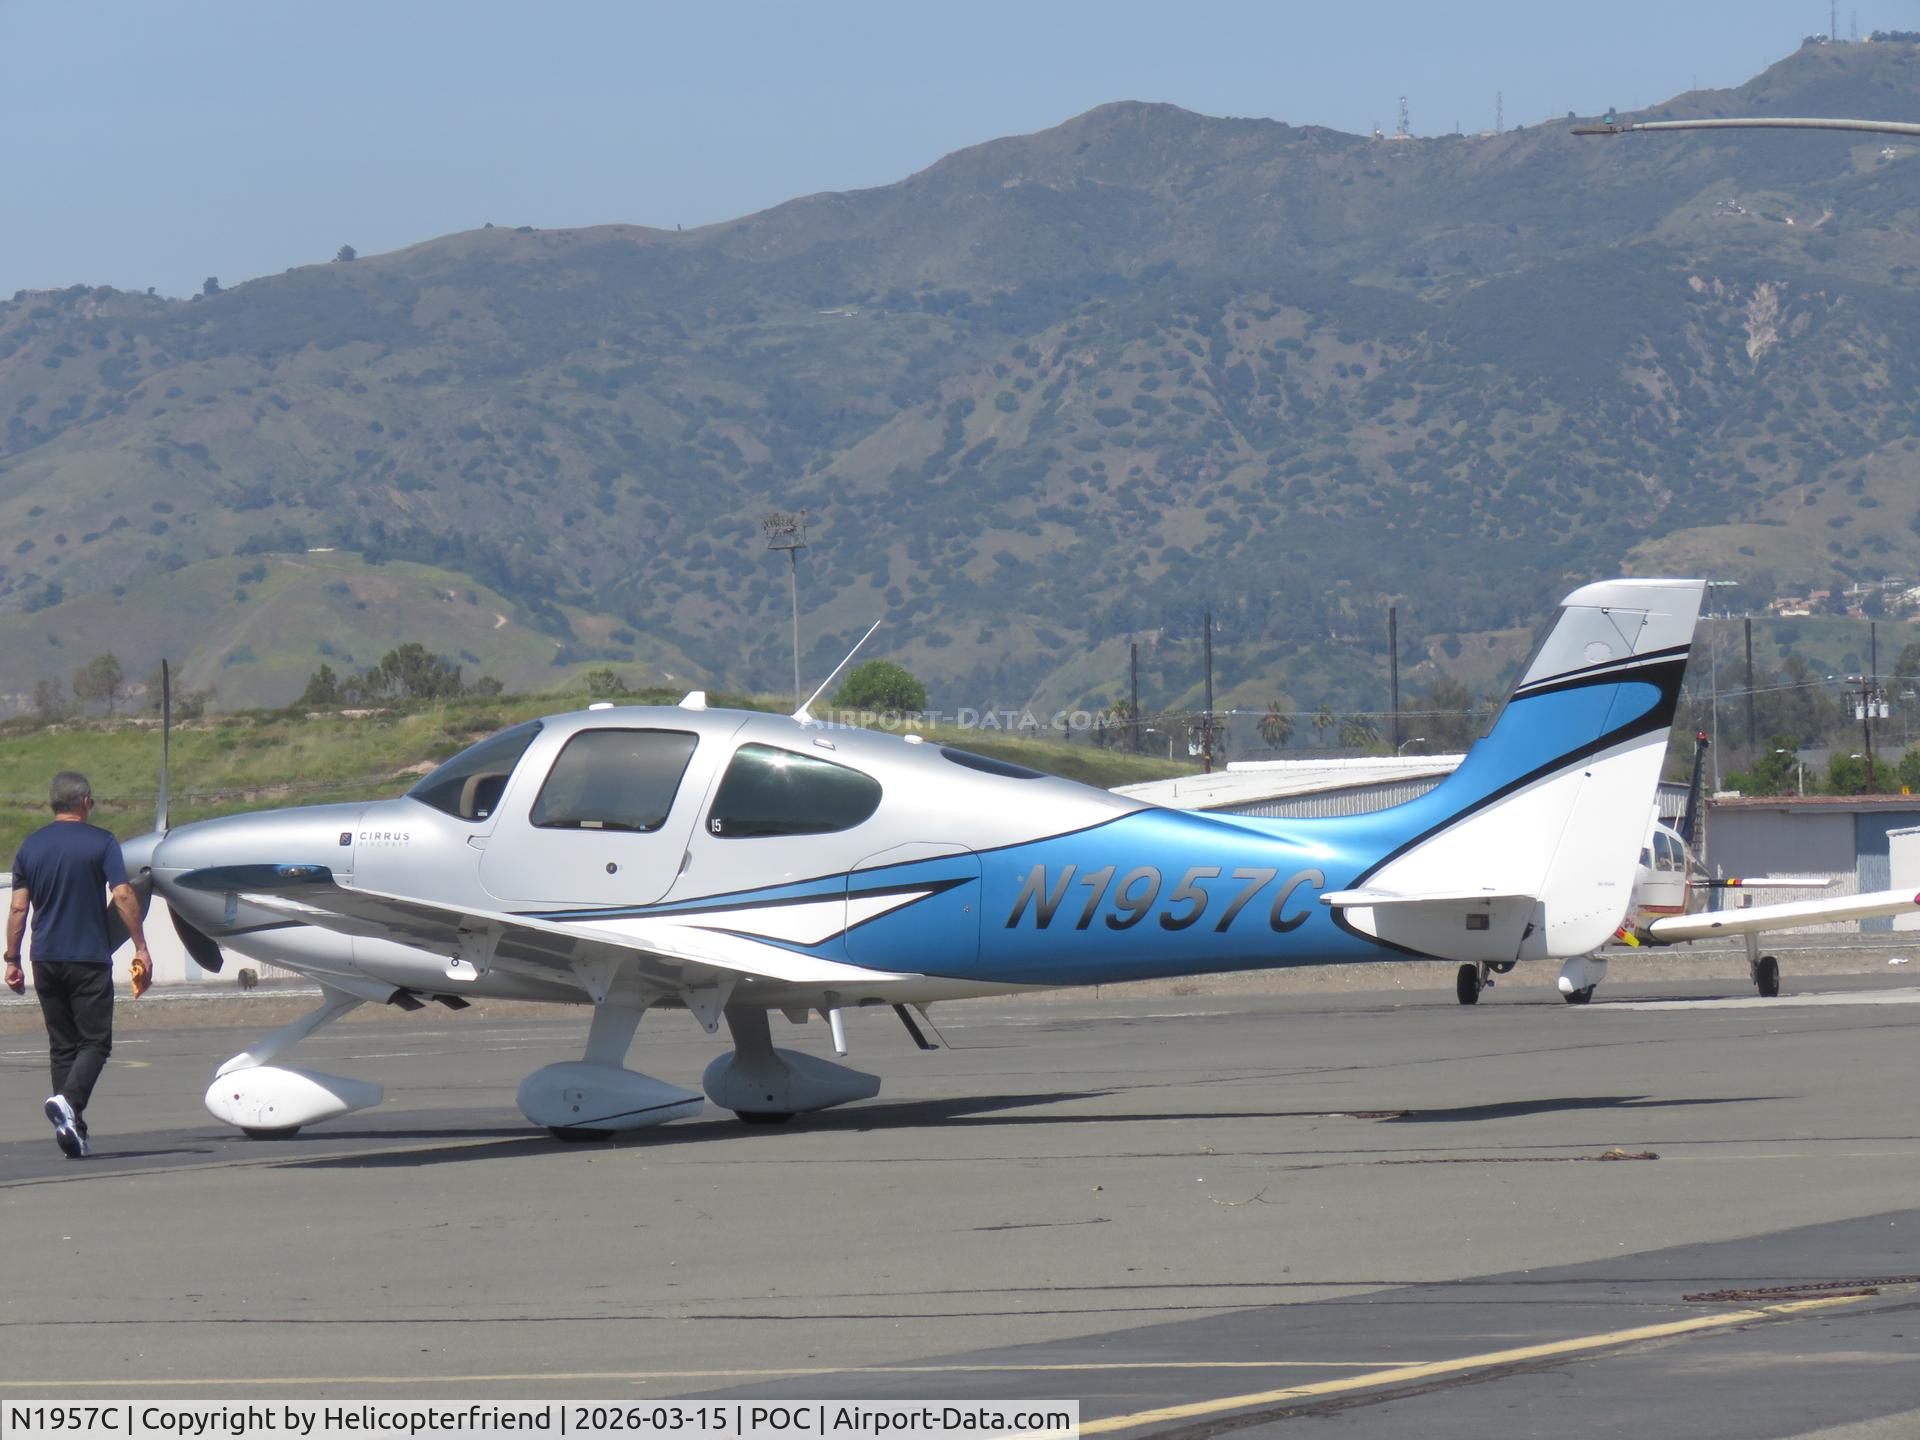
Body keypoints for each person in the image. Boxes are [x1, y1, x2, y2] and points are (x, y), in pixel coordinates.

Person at [3, 771, 151, 1158]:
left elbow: (19, 906)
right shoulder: (101, 842)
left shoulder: (30, 846)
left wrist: (12, 958)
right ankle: (68, 1102)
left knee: (62, 1046)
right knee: (96, 1042)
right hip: (86, 955)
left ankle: (73, 1129)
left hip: (45, 957)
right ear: (85, 802)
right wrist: (140, 946)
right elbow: (122, 894)